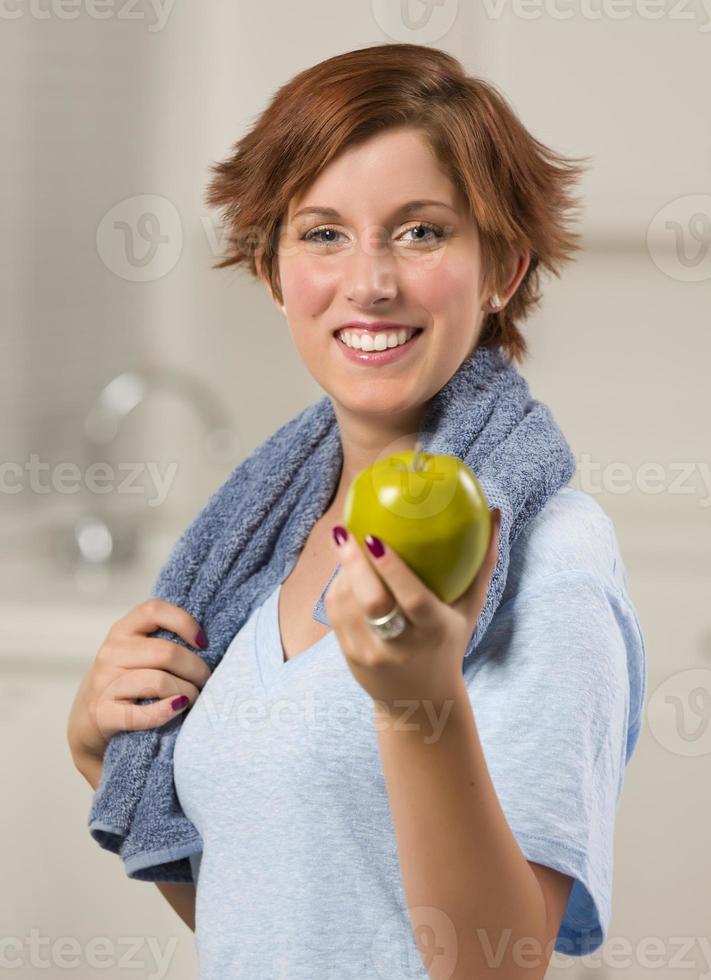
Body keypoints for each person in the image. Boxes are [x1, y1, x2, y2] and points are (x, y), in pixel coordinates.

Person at [68, 42, 647, 979]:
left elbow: (499, 966)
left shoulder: (548, 553)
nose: (369, 281)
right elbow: (282, 915)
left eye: (421, 232)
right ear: (271, 270)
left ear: (501, 268)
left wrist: (421, 703)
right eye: (323, 233)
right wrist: (104, 753)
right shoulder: (252, 554)